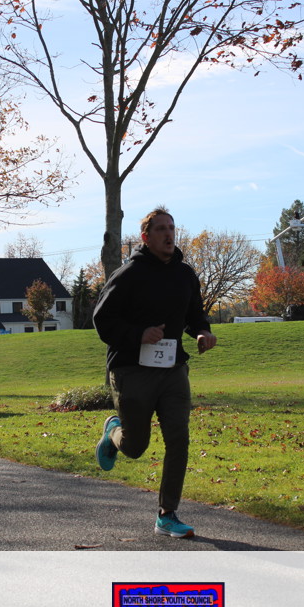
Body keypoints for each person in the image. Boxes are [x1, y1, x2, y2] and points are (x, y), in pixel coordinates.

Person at [92, 207, 218, 539]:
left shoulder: (185, 274)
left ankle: (167, 514)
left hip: (173, 369)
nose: (169, 234)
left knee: (179, 439)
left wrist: (202, 332)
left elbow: (194, 314)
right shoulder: (129, 274)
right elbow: (102, 320)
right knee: (135, 446)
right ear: (146, 237)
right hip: (132, 370)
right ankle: (114, 432)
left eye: (172, 228)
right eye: (161, 229)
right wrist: (139, 334)